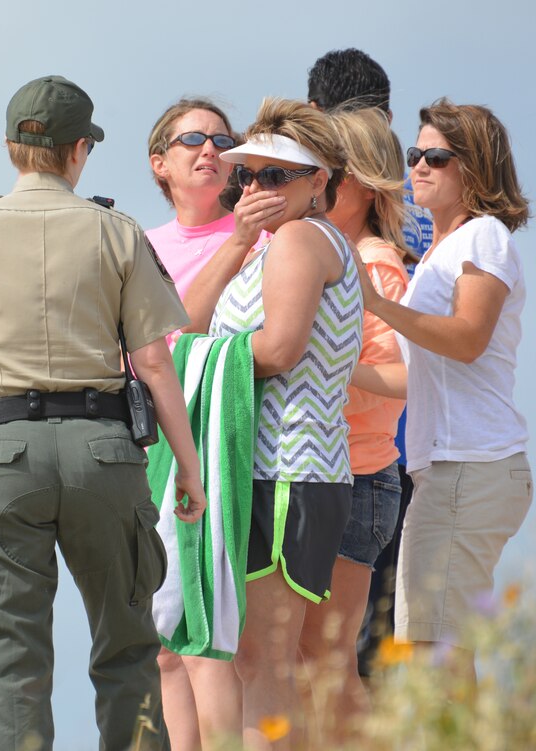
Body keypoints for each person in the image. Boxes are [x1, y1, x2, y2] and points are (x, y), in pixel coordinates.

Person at [0, 75, 207, 751]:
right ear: (78, 152)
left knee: (8, 662)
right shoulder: (117, 232)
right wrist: (188, 466)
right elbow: (153, 362)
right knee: (128, 650)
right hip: (103, 454)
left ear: (11, 147)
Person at [182, 98, 361, 749]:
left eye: (275, 176)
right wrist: (233, 239)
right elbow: (184, 322)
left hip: (287, 468)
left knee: (264, 659)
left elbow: (280, 348)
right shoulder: (266, 244)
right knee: (254, 658)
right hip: (268, 466)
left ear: (320, 181)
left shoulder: (300, 239)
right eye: (248, 176)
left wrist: (193, 361)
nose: (256, 189)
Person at [357, 99, 531, 695]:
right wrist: (339, 372)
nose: (418, 167)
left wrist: (378, 305)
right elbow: (418, 378)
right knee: (431, 644)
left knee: (436, 648)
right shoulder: (439, 253)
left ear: (475, 167)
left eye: (436, 156)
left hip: (471, 466)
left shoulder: (482, 237)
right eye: (414, 155)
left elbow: (465, 341)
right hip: (453, 471)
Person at [306, 46, 432, 675]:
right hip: (412, 448)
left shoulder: (326, 206)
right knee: (380, 649)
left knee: (340, 659)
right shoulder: (430, 197)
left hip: (366, 454)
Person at [145, 97, 261, 751]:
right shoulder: (140, 247)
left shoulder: (260, 237)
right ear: (159, 163)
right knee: (163, 643)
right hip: (152, 447)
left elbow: (179, 330)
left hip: (220, 445)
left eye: (224, 139)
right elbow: (144, 346)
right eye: (193, 139)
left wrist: (243, 238)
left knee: (209, 630)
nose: (211, 149)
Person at [296, 106, 411, 743]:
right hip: (329, 477)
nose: (313, 183)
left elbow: (399, 380)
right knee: (303, 661)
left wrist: (327, 368)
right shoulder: (331, 254)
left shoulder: (374, 264)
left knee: (329, 665)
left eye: (326, 173)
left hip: (356, 479)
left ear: (362, 184)